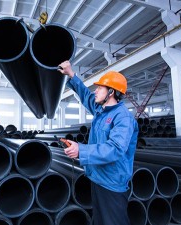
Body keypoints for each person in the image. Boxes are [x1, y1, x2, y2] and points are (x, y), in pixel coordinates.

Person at [58, 60, 139, 225]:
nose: (96, 90)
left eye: (100, 87)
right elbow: (85, 95)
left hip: (112, 182)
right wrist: (71, 73)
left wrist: (81, 150)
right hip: (98, 177)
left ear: (111, 92)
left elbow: (115, 148)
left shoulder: (122, 117)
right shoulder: (100, 110)